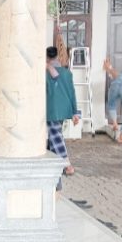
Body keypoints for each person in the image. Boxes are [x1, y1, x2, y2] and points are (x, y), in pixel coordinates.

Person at [45, 47, 79, 185]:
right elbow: (72, 93)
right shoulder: (67, 73)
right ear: (57, 56)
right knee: (54, 137)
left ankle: (67, 165)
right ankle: (54, 168)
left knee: (55, 136)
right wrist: (74, 112)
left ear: (47, 57)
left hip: (52, 109)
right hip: (64, 109)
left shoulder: (45, 73)